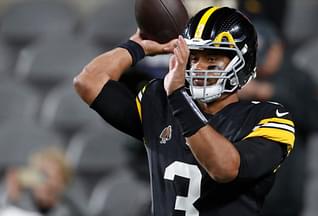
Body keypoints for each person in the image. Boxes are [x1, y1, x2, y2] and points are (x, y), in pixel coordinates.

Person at [74, 6, 295, 216]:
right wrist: (137, 47)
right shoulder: (160, 102)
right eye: (195, 57)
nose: (198, 67)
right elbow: (88, 82)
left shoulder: (266, 119)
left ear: (242, 62)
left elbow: (225, 168)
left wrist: (178, 97)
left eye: (212, 58)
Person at [238, 20, 318, 216]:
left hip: (285, 186)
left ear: (277, 47)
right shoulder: (241, 77)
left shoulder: (298, 78)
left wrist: (270, 93)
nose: (259, 65)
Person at [0, 147, 74, 216]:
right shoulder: (17, 200)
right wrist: (12, 197)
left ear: (62, 184)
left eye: (48, 176)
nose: (44, 183)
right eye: (40, 173)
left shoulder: (66, 211)